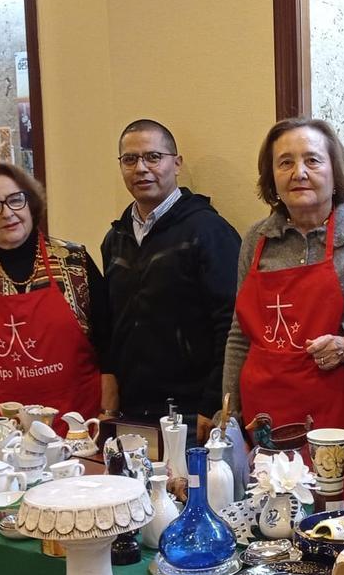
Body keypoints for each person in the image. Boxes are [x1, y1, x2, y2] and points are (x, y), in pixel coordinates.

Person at [222, 117, 344, 507]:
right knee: (272, 518)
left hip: (339, 417)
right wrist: (229, 415)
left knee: (338, 519)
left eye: (312, 160)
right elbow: (239, 333)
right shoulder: (256, 240)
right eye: (285, 162)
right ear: (272, 178)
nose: (298, 172)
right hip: (265, 420)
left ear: (335, 171)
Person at [0, 162, 114, 434]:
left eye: (15, 200)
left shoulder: (74, 261)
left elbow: (110, 345)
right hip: (1, 437)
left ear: (30, 203)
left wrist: (107, 414)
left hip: (79, 430)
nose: (7, 213)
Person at [102, 119, 240, 441]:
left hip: (193, 412)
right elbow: (110, 325)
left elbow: (231, 324)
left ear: (176, 164)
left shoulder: (208, 231)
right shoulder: (115, 239)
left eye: (153, 157)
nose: (141, 168)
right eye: (130, 159)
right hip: (133, 411)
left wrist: (213, 403)